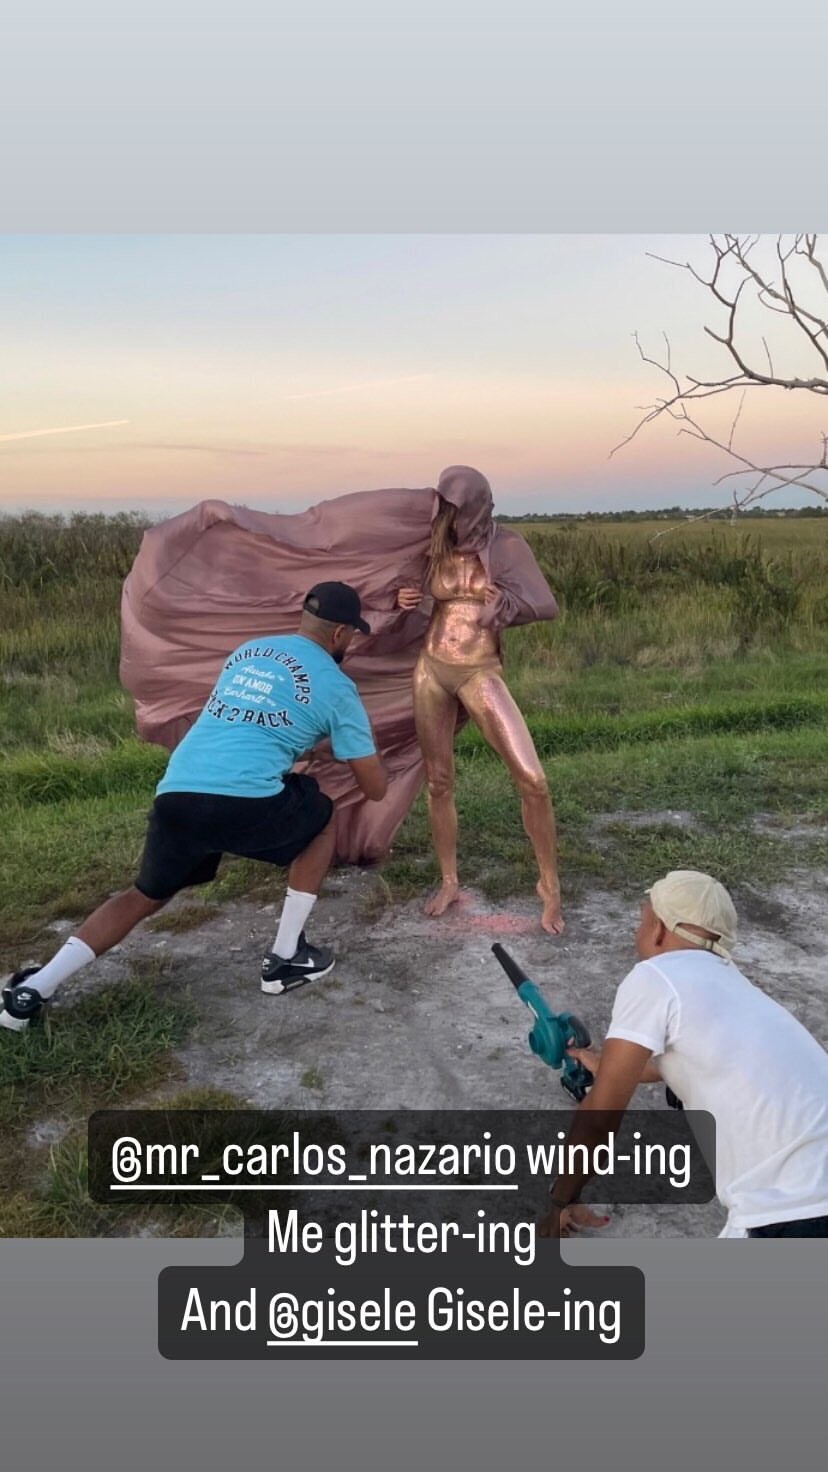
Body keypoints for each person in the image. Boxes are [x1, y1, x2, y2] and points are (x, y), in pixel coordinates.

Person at [1, 583, 387, 1033]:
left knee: (144, 895)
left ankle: (33, 991)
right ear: (340, 633)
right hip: (245, 802)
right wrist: (361, 751)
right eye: (352, 634)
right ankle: (286, 957)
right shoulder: (337, 687)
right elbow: (374, 788)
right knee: (321, 816)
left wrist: (302, 743)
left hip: (178, 792)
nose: (351, 642)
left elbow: (251, 724)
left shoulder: (249, 653)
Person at [540, 870, 828, 1238]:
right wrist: (607, 1065)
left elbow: (600, 1118)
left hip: (797, 1207)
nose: (637, 932)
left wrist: (560, 1200)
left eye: (641, 921)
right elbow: (691, 1061)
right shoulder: (734, 986)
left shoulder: (655, 976)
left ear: (659, 930)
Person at [397, 467, 564, 934]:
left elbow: (545, 605)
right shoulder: (434, 545)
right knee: (439, 781)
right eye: (446, 507)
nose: (451, 517)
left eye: (458, 508)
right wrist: (404, 599)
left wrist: (506, 607)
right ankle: (449, 881)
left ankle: (549, 887)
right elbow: (411, 595)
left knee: (533, 779)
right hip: (431, 669)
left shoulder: (505, 545)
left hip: (478, 670)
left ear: (479, 505)